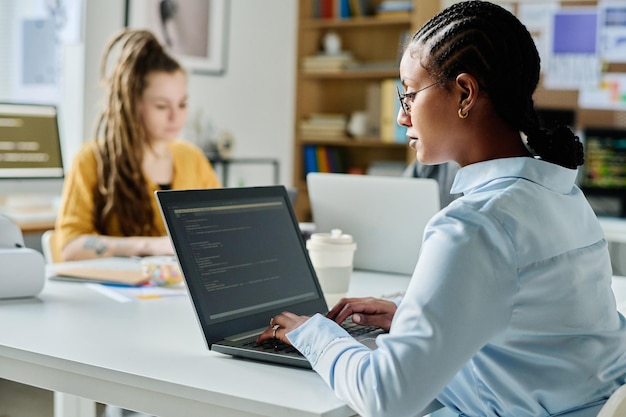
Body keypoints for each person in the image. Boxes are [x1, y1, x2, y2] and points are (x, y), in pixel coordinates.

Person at [258, 2, 626, 416]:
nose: (401, 116)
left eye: (410, 94)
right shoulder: (561, 196)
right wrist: (421, 317)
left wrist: (315, 334)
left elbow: (385, 399)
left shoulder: (474, 226)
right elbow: (548, 333)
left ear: (465, 94)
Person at [55, 29, 221, 261]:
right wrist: (150, 246)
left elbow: (219, 231)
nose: (176, 117)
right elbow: (70, 247)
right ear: (133, 104)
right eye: (162, 106)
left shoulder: (192, 158)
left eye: (182, 105)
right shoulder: (92, 159)